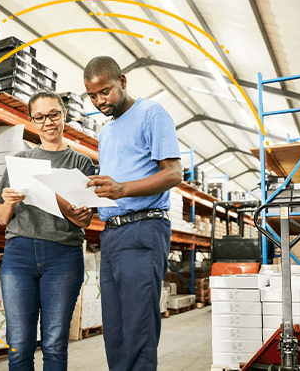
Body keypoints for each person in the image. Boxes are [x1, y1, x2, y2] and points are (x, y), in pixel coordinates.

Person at [84, 56, 183, 371]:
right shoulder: (105, 131)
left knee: (138, 326)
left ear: (122, 82)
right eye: (93, 96)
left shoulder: (151, 113)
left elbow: (174, 174)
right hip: (111, 231)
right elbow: (114, 182)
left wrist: (122, 189)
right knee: (114, 328)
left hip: (143, 229)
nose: (100, 101)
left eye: (106, 91)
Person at [0, 89, 95, 371]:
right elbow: (1, 219)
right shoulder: (20, 162)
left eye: (54, 114)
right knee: (19, 345)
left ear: (64, 115)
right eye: (40, 117)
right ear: (32, 121)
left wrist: (68, 207)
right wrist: (9, 202)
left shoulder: (81, 163)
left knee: (53, 344)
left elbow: (84, 221)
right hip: (19, 255)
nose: (48, 122)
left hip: (63, 257)